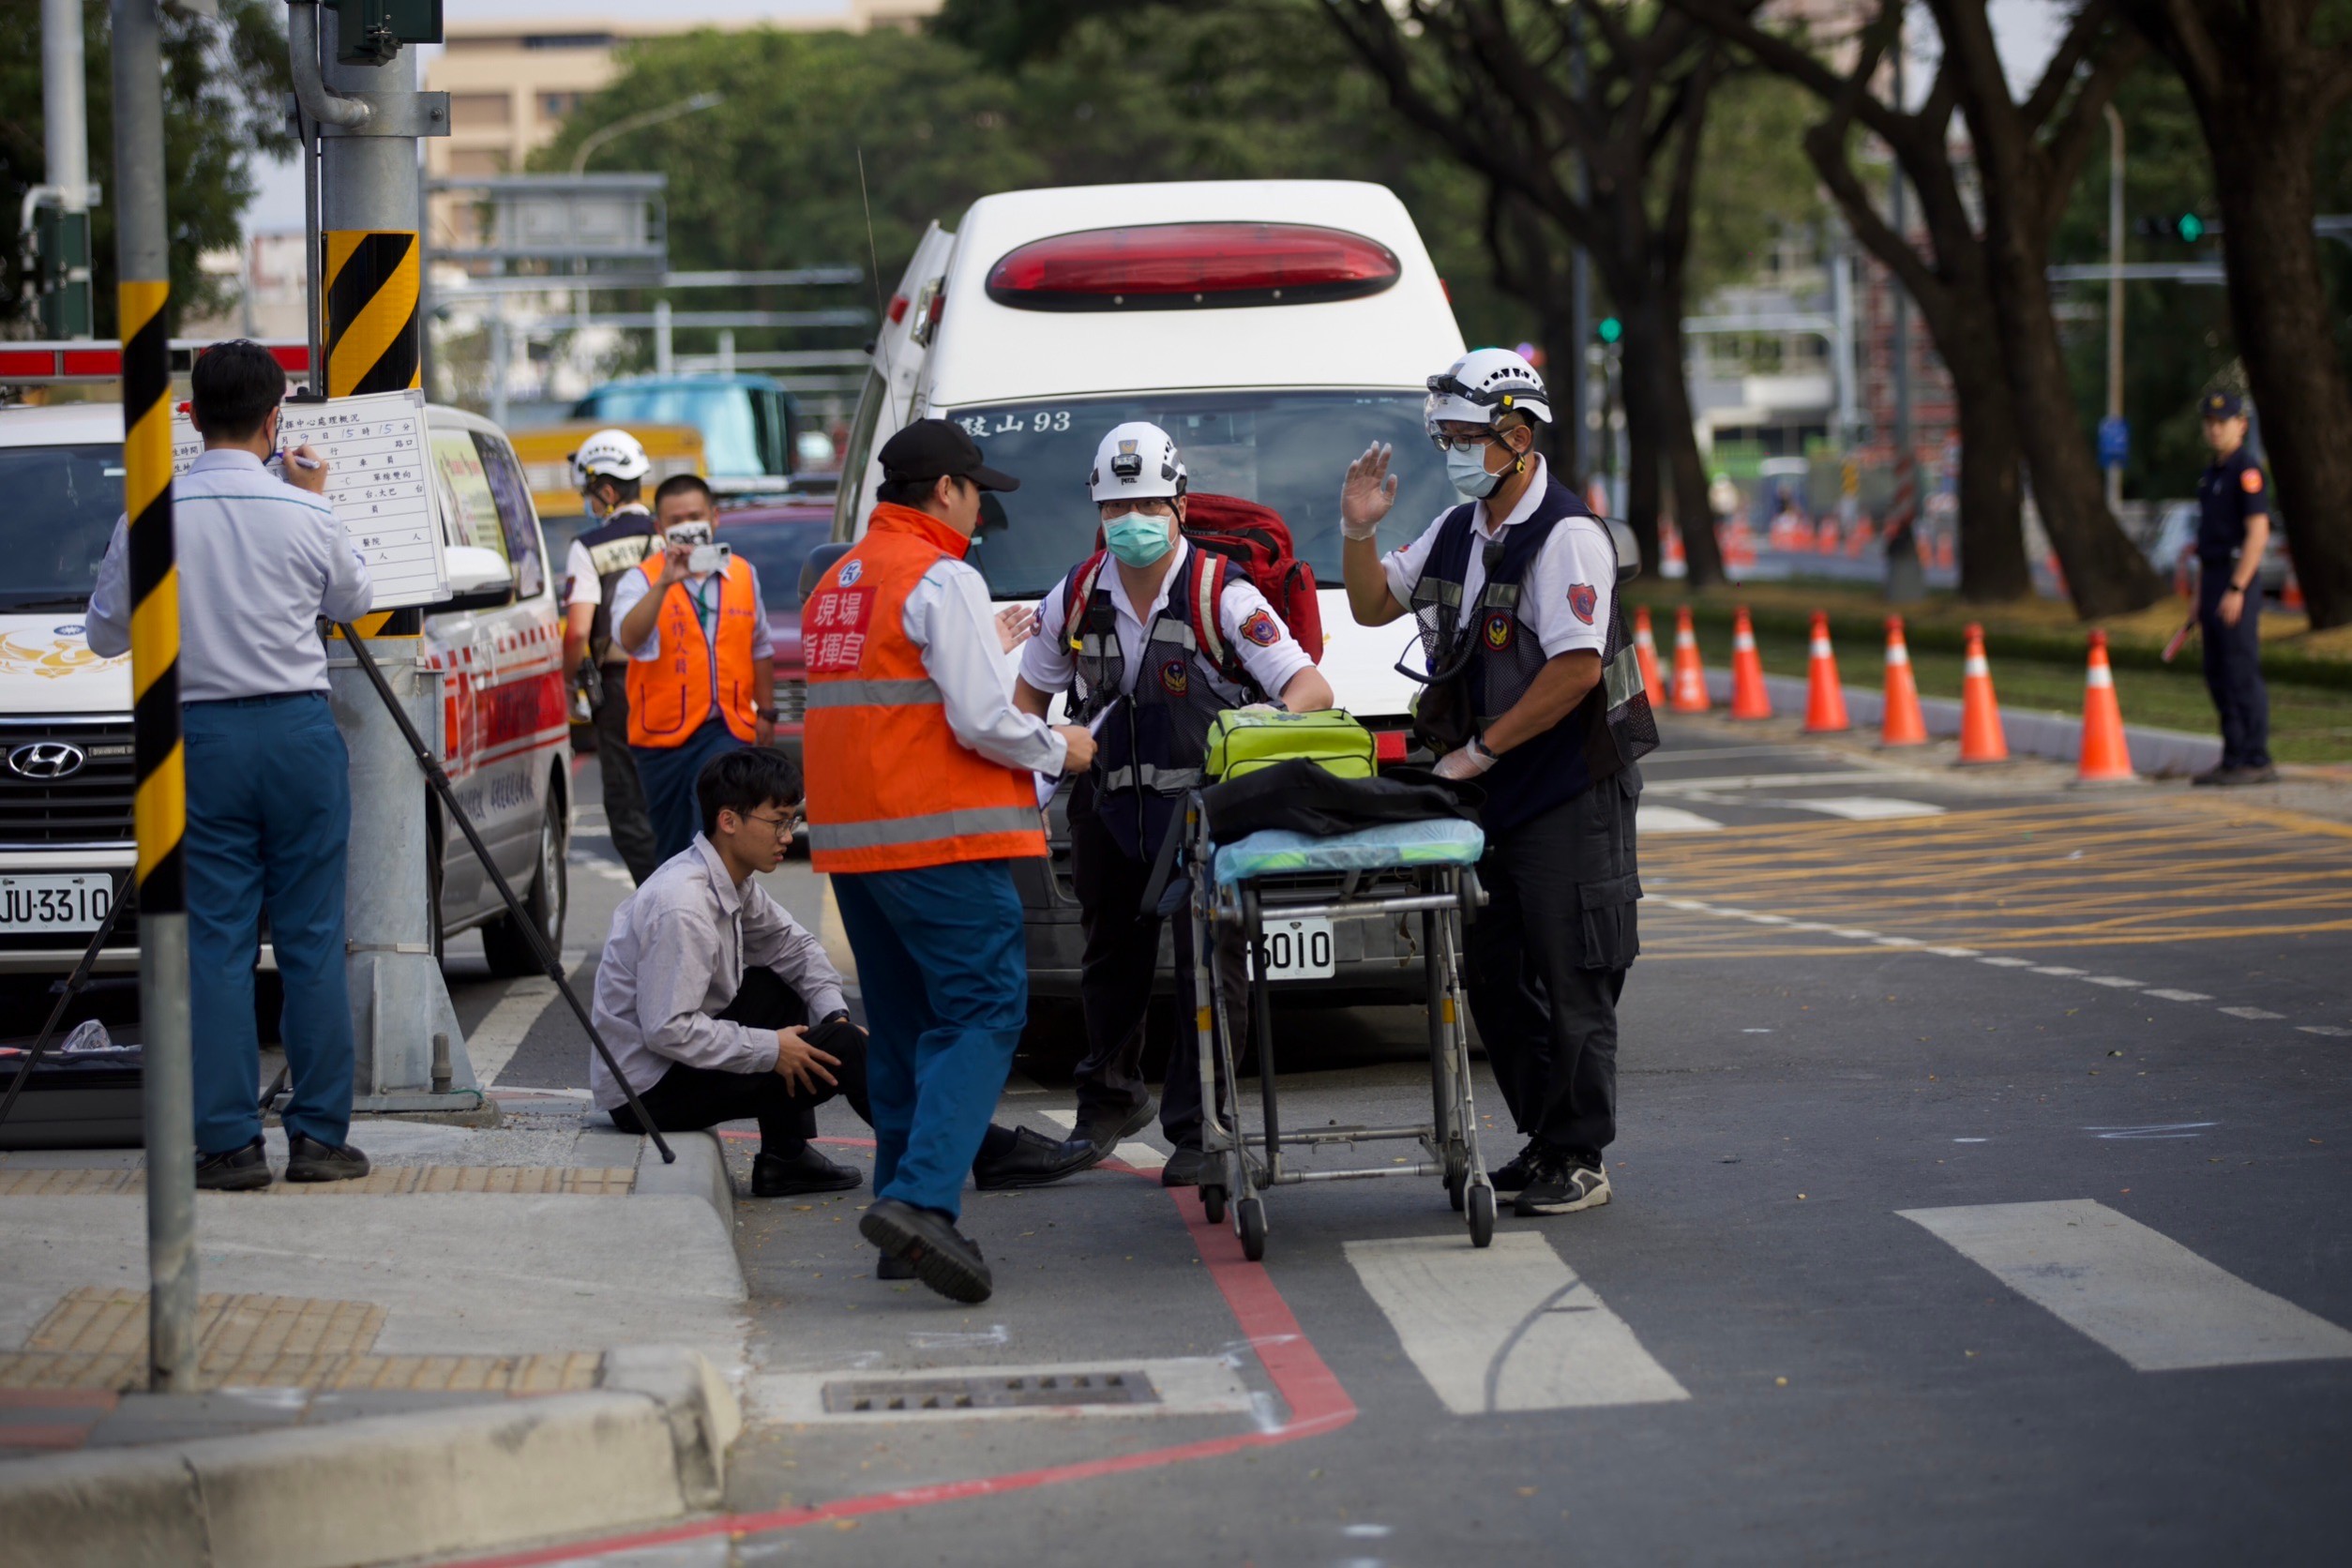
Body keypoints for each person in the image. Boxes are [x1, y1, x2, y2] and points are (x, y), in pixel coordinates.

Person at [1336, 348, 1655, 1218]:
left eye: (1463, 436)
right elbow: (1371, 606)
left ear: (1515, 437)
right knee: (1495, 974)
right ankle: (1547, 1140)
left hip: (1567, 791)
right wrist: (1359, 529)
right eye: (1444, 436)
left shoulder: (1568, 536)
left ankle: (1581, 1153)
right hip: (1496, 798)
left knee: (1573, 974)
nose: (1450, 451)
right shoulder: (1456, 530)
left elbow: (1576, 673)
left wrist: (1481, 750)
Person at [802, 419, 1099, 1304]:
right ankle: (923, 1202)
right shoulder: (942, 573)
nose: (981, 514)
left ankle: (902, 1225)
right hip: (941, 840)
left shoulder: (841, 580)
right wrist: (1058, 747)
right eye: (979, 495)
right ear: (945, 492)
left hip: (861, 846)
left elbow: (887, 704)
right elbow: (979, 717)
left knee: (901, 1029)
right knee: (982, 1013)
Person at [85, 339, 374, 1190]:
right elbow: (355, 600)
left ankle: (227, 1144)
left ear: (190, 416)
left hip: (196, 740)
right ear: (275, 418)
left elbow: (106, 633)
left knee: (213, 943)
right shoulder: (305, 511)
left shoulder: (151, 513)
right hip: (297, 732)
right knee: (314, 937)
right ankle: (319, 1138)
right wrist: (315, 497)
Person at [1012, 422, 1334, 1184]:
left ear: (1180, 504)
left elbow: (1309, 689)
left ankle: (1203, 1126)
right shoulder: (1078, 593)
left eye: (1150, 505)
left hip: (1204, 819)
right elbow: (1027, 698)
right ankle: (1110, 1101)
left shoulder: (1225, 594)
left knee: (1207, 966)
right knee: (1108, 963)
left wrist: (1254, 734)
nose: (1133, 522)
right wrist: (1038, 767)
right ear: (1097, 511)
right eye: (1118, 508)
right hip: (1107, 813)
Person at [591, 747, 1091, 1209]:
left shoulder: (731, 881)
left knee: (791, 987)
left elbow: (797, 949)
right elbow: (667, 1028)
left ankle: (786, 1158)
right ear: (728, 821)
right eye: (778, 822)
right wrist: (771, 1048)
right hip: (646, 1094)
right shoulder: (683, 905)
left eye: (794, 821)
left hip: (672, 1065)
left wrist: (834, 1013)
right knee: (847, 1051)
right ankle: (984, 1151)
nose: (789, 837)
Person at [612, 474, 778, 862]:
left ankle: (719, 915)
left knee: (715, 833)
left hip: (728, 728)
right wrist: (666, 583)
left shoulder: (742, 573)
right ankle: (676, 916)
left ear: (715, 518)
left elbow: (761, 645)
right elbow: (629, 640)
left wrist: (766, 711)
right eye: (676, 521)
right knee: (671, 848)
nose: (688, 528)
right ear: (660, 528)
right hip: (663, 737)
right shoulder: (642, 579)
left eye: (695, 517)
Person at [562, 430, 666, 882]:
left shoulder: (588, 547)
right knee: (676, 793)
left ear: (606, 490)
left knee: (627, 804)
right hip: (682, 679)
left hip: (622, 688)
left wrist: (570, 684)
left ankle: (663, 899)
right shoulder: (670, 537)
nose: (590, 502)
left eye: (590, 493)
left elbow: (578, 631)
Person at [2192, 391, 2276, 786]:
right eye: (2209, 422)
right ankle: (2233, 754)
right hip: (2211, 578)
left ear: (2241, 424)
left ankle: (2255, 757)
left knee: (2240, 666)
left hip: (2234, 576)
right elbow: (2204, 542)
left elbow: (2258, 531)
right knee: (2217, 669)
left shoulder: (2247, 470)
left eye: (2222, 422)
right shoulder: (2212, 475)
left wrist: (2238, 587)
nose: (2214, 428)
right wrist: (2198, 597)